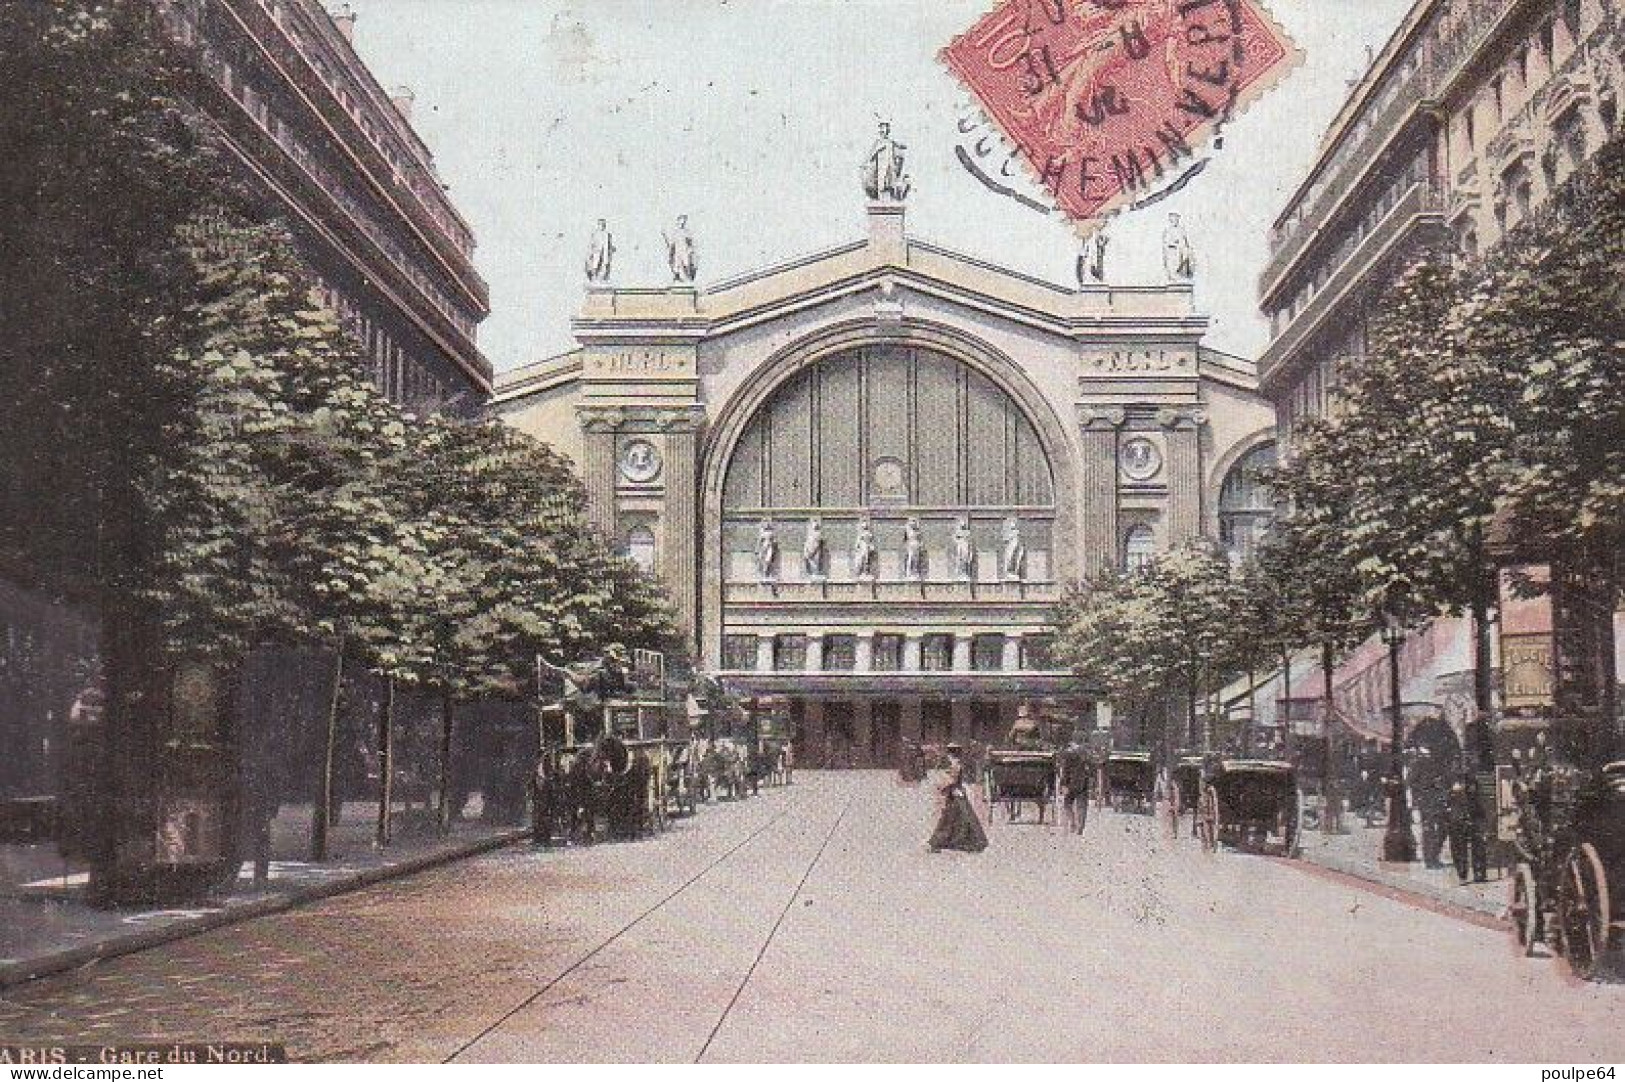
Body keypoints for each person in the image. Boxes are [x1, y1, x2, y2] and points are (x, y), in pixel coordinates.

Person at [928, 744, 988, 853]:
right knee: (953, 819)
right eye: (958, 752)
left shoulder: (954, 763)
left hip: (956, 792)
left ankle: (952, 841)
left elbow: (950, 779)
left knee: (954, 819)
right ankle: (956, 842)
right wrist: (951, 788)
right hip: (955, 793)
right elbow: (948, 779)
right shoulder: (952, 763)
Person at [1446, 773, 1488, 884]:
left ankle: (1479, 872)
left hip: (1473, 811)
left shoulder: (1472, 779)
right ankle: (1462, 872)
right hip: (1457, 812)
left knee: (1478, 842)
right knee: (1458, 844)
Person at [1059, 742, 1092, 834]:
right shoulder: (1085, 754)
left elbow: (1065, 771)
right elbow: (1091, 770)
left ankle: (1073, 821)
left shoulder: (1068, 756)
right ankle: (1080, 826)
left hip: (1071, 783)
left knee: (1067, 804)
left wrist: (1063, 784)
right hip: (1083, 783)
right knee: (1082, 806)